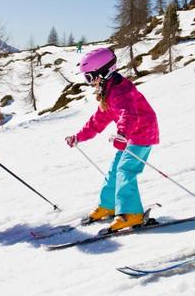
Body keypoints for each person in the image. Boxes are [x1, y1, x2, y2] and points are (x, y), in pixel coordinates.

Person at [65, 48, 159, 231]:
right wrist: (79, 137)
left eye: (90, 77)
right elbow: (97, 121)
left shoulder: (121, 91)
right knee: (115, 170)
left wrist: (122, 135)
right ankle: (109, 206)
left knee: (126, 169)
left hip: (142, 132)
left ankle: (131, 214)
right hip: (129, 136)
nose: (90, 83)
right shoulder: (108, 91)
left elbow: (128, 114)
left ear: (104, 73)